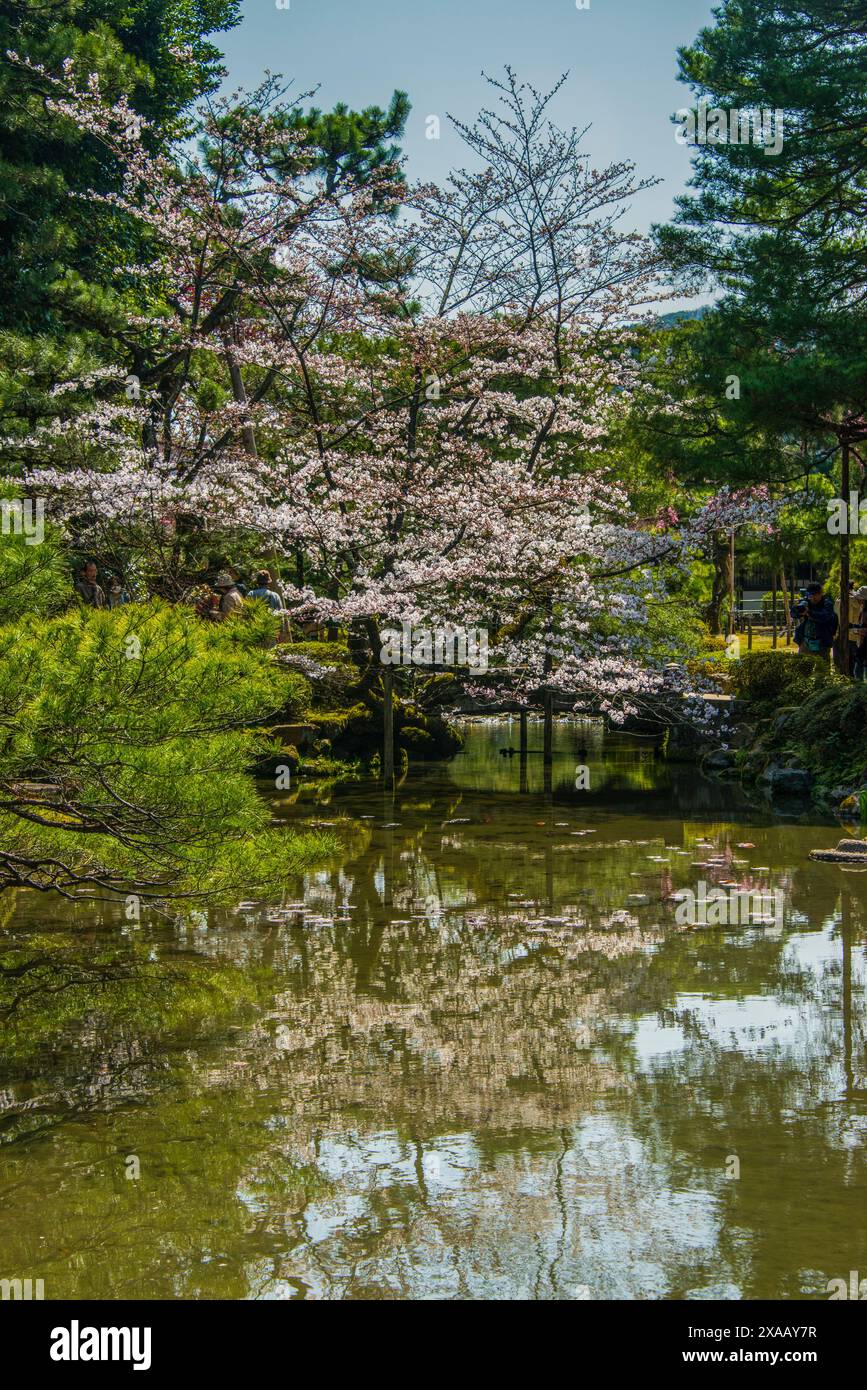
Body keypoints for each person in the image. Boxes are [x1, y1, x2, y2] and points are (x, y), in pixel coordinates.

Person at [792, 581, 838, 658]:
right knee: (803, 668)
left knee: (822, 669)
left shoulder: (827, 604)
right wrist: (799, 610)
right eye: (810, 595)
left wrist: (809, 612)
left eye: (815, 595)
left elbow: (824, 617)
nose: (812, 598)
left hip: (822, 643)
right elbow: (793, 613)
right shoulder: (806, 602)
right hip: (805, 642)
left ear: (821, 593)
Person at [853, 585, 867, 680]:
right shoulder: (863, 609)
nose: (857, 599)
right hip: (863, 644)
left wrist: (858, 630)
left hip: (865, 645)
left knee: (859, 669)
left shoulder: (865, 611)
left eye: (859, 598)